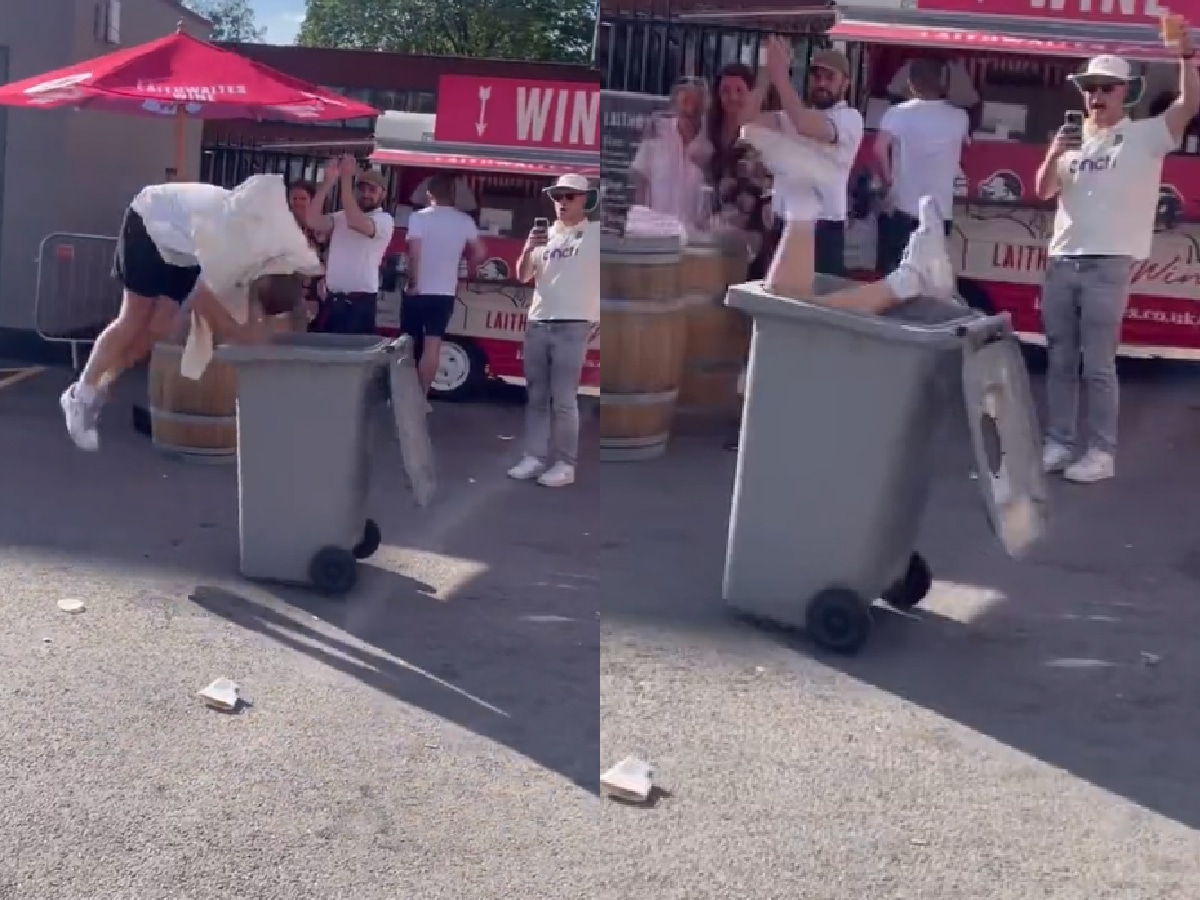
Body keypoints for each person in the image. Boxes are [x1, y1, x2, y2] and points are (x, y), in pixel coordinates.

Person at [1034, 33, 1198, 483]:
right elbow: (1044, 190)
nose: (1097, 95)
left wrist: (1186, 56)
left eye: (1107, 87)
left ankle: (1101, 453)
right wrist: (1054, 152)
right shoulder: (1070, 139)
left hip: (1108, 265)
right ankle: (1060, 441)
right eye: (1090, 87)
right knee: (1061, 358)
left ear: (1127, 91)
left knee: (1099, 363)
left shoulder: (1145, 135)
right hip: (1063, 260)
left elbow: (1188, 104)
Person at [59, 180, 296, 452]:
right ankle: (80, 396)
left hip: (183, 247)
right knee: (135, 317)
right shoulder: (229, 238)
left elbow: (251, 296)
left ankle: (99, 386)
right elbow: (205, 301)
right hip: (150, 221)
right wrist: (245, 336)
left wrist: (257, 331)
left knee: (159, 327)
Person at [507, 174, 599, 488]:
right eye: (558, 196)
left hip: (573, 325)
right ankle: (534, 456)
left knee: (563, 400)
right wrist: (528, 247)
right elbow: (522, 275)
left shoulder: (596, 234)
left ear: (585, 199)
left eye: (570, 196)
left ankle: (565, 463)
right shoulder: (545, 235)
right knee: (536, 396)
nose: (562, 202)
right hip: (539, 322)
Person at [762, 46, 864, 277]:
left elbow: (804, 125)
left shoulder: (850, 119)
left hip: (821, 230)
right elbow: (747, 121)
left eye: (830, 78)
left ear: (845, 83)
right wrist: (765, 75)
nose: (821, 84)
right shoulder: (794, 114)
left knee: (816, 305)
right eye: (817, 77)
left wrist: (780, 78)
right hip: (784, 224)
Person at [874, 58, 970, 272]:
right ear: (942, 82)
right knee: (931, 279)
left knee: (895, 277)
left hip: (903, 209)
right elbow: (966, 149)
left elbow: (879, 149)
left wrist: (889, 181)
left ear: (910, 83)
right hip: (940, 213)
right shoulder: (960, 117)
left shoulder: (897, 113)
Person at [402, 173, 488, 394]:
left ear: (429, 193)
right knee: (433, 346)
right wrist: (462, 268)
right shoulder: (464, 221)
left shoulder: (419, 218)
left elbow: (414, 254)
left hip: (419, 290)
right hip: (445, 291)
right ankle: (422, 395)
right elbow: (480, 252)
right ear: (454, 195)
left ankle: (405, 396)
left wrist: (413, 283)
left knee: (407, 346)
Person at [306, 156, 395, 335]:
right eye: (362, 189)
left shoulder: (384, 220)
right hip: (333, 301)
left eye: (372, 190)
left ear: (383, 194)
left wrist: (346, 179)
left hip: (359, 303)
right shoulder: (340, 216)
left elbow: (355, 222)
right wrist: (328, 182)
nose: (366, 194)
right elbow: (312, 220)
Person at [630, 77, 709, 225]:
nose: (689, 112)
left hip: (697, 237)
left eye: (696, 104)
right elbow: (640, 181)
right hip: (657, 232)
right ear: (674, 105)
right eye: (685, 102)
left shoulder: (712, 141)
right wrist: (639, 221)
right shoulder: (657, 133)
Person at [410, 172, 478, 213]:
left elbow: (471, 208)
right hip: (429, 217)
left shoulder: (460, 185)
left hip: (455, 221)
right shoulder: (429, 181)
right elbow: (416, 202)